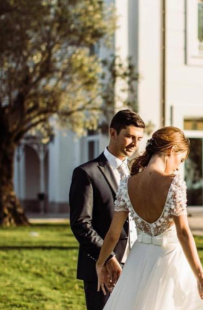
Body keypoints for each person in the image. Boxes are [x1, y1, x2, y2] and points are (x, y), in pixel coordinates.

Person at [96, 126, 203, 310]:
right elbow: (183, 233)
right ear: (170, 150)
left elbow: (113, 233)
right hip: (167, 261)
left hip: (137, 259)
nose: (178, 166)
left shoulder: (127, 183)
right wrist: (201, 278)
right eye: (180, 159)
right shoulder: (174, 184)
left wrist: (100, 263)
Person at [69, 110, 145, 310]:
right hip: (102, 267)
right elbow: (81, 224)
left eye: (139, 138)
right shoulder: (86, 173)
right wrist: (108, 257)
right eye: (129, 136)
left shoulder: (137, 173)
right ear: (113, 133)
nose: (134, 143)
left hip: (137, 264)